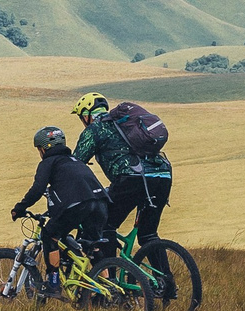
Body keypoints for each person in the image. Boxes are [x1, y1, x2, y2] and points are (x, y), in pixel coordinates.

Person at [71, 91, 174, 249]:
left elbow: (75, 164)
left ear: (86, 116)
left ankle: (109, 271)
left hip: (133, 178)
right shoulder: (122, 124)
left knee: (105, 227)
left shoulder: (95, 129)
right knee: (148, 234)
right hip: (162, 175)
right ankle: (163, 274)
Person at [9, 125, 104, 285]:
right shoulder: (75, 160)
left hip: (78, 204)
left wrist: (19, 208)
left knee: (49, 236)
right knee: (93, 246)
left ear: (43, 149)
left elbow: (38, 189)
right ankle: (107, 287)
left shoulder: (48, 162)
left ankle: (53, 284)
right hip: (100, 203)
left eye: (39, 149)